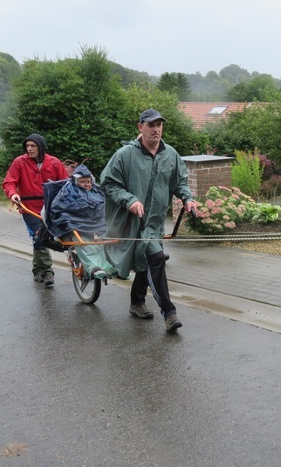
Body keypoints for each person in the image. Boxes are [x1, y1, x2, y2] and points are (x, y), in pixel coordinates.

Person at [100, 109, 197, 333]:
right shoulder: (125, 155)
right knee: (156, 259)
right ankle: (169, 312)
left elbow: (180, 182)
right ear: (140, 127)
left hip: (155, 221)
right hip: (132, 221)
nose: (156, 129)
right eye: (151, 125)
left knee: (149, 263)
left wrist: (188, 199)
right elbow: (109, 183)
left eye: (159, 125)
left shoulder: (171, 154)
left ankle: (136, 303)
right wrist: (129, 200)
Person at [2, 133, 68, 287]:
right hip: (29, 208)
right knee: (40, 236)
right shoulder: (19, 162)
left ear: (41, 147)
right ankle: (47, 272)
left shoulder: (54, 163)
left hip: (50, 208)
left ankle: (37, 269)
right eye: (27, 146)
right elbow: (9, 182)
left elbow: (64, 184)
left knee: (40, 240)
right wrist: (13, 194)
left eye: (33, 146)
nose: (29, 149)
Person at [47, 164, 117, 280]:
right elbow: (59, 207)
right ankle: (92, 267)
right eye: (83, 181)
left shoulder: (97, 189)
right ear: (76, 181)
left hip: (95, 222)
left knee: (105, 238)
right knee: (83, 241)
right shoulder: (68, 190)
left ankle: (108, 266)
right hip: (76, 222)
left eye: (89, 181)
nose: (87, 184)